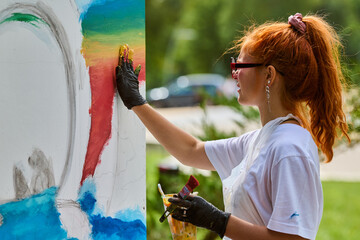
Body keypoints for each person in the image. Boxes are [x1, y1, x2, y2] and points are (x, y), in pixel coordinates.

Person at [116, 13, 350, 240]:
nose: (234, 74)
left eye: (240, 65)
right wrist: (137, 103)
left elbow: (295, 238)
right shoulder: (263, 140)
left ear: (269, 75)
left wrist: (218, 221)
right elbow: (191, 150)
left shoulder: (288, 148)